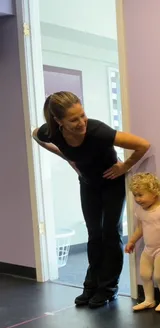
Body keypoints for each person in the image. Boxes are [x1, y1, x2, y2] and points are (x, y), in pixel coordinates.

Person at [32, 91, 150, 308]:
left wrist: (124, 166)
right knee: (94, 233)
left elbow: (142, 144)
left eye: (82, 115)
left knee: (109, 232)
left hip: (111, 183)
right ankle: (91, 286)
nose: (81, 122)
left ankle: (108, 288)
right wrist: (67, 157)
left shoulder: (97, 131)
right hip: (88, 184)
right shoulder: (51, 132)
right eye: (73, 119)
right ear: (59, 121)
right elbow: (35, 135)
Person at [125, 173, 160, 312]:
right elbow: (140, 229)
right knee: (144, 274)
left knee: (159, 276)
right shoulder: (140, 211)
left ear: (154, 193)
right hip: (148, 249)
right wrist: (131, 241)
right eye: (135, 195)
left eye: (141, 195)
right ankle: (149, 299)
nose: (137, 199)